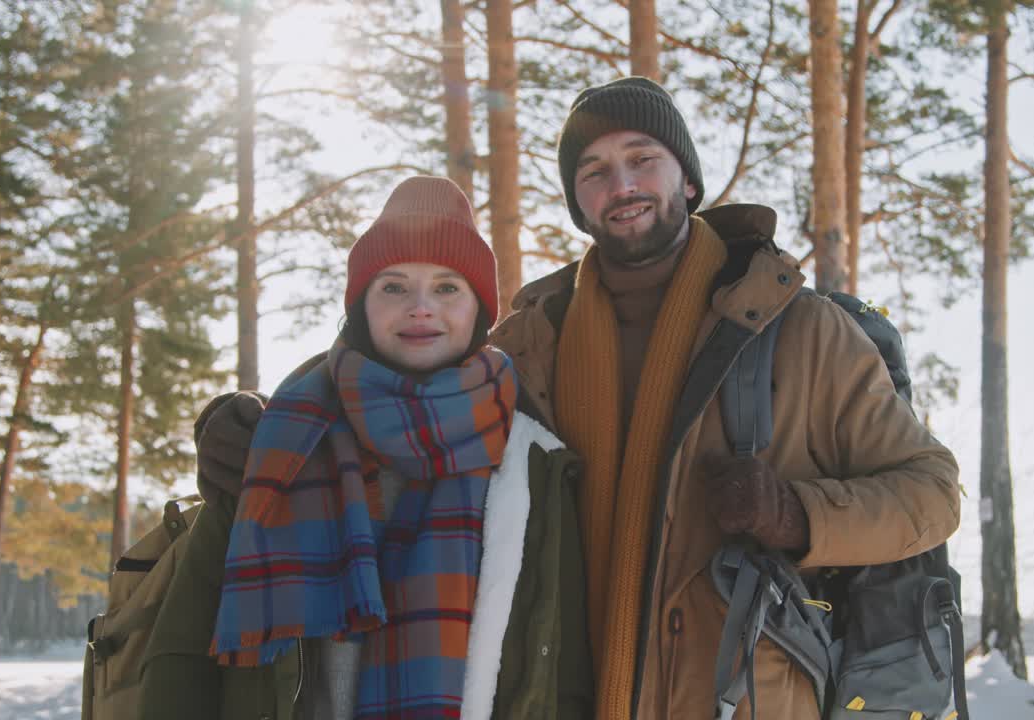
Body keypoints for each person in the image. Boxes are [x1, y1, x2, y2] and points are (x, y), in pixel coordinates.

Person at [198, 77, 962, 719]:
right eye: (594, 170)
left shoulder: (798, 329)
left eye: (642, 159)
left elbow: (932, 494)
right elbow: (400, 409)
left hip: (737, 699)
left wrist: (798, 516)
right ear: (576, 200)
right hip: (556, 692)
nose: (621, 184)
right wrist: (265, 435)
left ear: (687, 180)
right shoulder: (530, 338)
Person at [138, 176, 592, 720]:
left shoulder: (531, 459)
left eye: (447, 287)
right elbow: (182, 654)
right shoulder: (282, 441)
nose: (421, 308)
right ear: (361, 307)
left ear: (479, 312)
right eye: (393, 287)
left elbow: (561, 668)